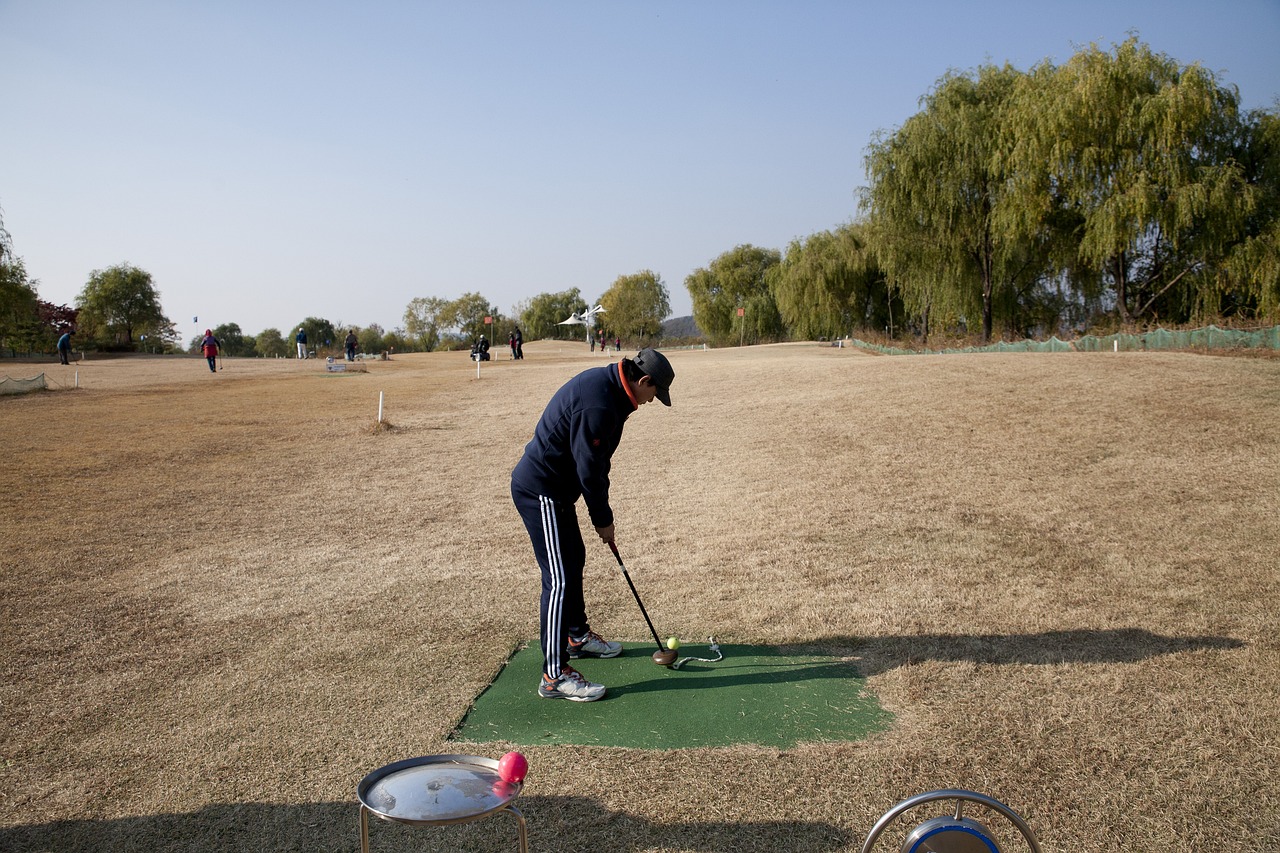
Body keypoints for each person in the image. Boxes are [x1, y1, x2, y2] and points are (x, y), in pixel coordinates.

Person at [511, 348, 676, 702]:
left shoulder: (613, 390)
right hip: (540, 489)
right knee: (558, 579)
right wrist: (603, 519)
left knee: (574, 557)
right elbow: (589, 471)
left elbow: (596, 464)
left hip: (558, 491)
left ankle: (577, 636)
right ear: (643, 380)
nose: (651, 402)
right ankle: (553, 675)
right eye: (654, 394)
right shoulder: (600, 403)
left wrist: (603, 516)